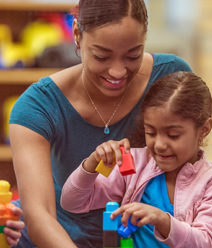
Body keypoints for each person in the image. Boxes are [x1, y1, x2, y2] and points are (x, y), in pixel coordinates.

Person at [8, 0, 192, 247]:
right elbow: (39, 216)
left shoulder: (171, 79)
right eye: (102, 56)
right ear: (76, 34)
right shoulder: (37, 106)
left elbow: (189, 182)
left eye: (132, 55)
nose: (118, 71)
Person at [60, 71, 212, 248]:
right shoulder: (134, 163)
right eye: (150, 132)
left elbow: (206, 243)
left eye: (173, 135)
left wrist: (162, 220)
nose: (159, 144)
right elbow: (72, 202)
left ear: (204, 129)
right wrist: (92, 164)